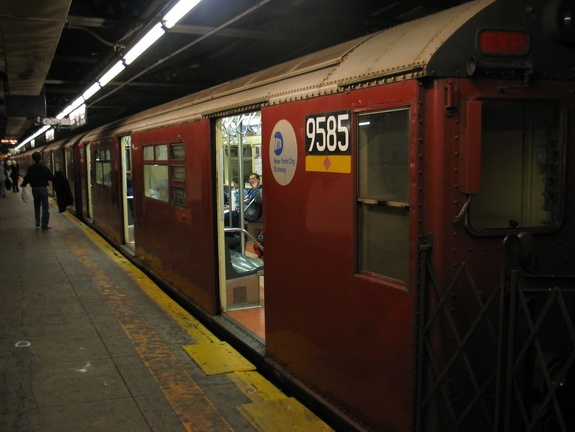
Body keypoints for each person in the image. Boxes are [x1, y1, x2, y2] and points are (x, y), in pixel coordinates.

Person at [20, 152, 54, 229]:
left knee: (36, 205)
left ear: (33, 159)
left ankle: (37, 221)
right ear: (40, 158)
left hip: (34, 189)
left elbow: (27, 178)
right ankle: (44, 224)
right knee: (45, 207)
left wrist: (24, 184)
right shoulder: (44, 168)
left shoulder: (31, 168)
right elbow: (50, 177)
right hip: (42, 188)